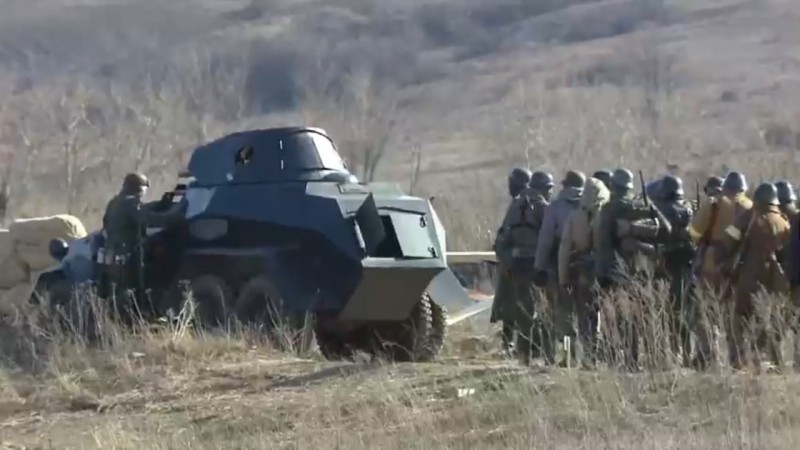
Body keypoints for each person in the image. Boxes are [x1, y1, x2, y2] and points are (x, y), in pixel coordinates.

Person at [594, 168, 672, 370]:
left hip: (618, 270)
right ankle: (646, 359)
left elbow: (604, 243)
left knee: (618, 316)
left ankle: (622, 360)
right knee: (641, 316)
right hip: (643, 268)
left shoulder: (609, 208)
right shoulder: (644, 204)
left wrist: (603, 272)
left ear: (614, 186)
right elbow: (667, 229)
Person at [715, 182, 791, 371]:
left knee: (739, 316)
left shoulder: (750, 216)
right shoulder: (783, 221)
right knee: (766, 316)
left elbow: (728, 240)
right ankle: (765, 358)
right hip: (773, 278)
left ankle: (738, 360)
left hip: (749, 274)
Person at [687, 171, 752, 369]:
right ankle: (736, 358)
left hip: (712, 262)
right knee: (734, 313)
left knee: (706, 309)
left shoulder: (714, 203)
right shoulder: (751, 206)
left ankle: (707, 355)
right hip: (740, 265)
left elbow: (694, 233)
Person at [101, 172, 187, 320]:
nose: (143, 195)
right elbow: (151, 219)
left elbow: (141, 210)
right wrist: (178, 211)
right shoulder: (129, 204)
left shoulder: (114, 203)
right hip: (129, 255)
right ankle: (143, 315)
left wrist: (162, 204)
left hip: (114, 255)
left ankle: (120, 319)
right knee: (142, 285)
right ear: (138, 189)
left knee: (120, 292)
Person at [558, 177, 610, 368]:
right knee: (602, 314)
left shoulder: (574, 217)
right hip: (604, 270)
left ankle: (588, 356)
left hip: (581, 272)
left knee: (583, 315)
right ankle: (598, 354)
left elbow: (565, 248)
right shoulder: (606, 215)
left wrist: (563, 277)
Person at [534, 170, 585, 367]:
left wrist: (539, 267)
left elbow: (546, 239)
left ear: (565, 186)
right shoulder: (591, 206)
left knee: (563, 312)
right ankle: (590, 356)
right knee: (585, 312)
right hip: (586, 265)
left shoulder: (555, 207)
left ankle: (568, 356)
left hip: (560, 265)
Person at [505, 171, 552, 366]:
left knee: (523, 312)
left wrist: (508, 261)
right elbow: (550, 234)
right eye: (549, 188)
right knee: (544, 311)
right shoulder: (542, 206)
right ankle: (545, 354)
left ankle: (524, 355)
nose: (550, 192)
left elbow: (505, 235)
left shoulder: (515, 204)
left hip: (517, 263)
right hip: (537, 263)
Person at [654, 174, 695, 367]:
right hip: (686, 265)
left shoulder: (661, 209)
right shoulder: (688, 209)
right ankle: (686, 354)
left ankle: (672, 354)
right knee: (683, 310)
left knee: (669, 312)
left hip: (665, 265)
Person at [492, 167, 533, 355]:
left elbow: (509, 234)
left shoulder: (521, 204)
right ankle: (511, 344)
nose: (509, 186)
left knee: (514, 306)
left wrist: (505, 256)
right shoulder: (523, 202)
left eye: (512, 182)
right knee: (512, 306)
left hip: (516, 263)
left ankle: (513, 345)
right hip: (516, 261)